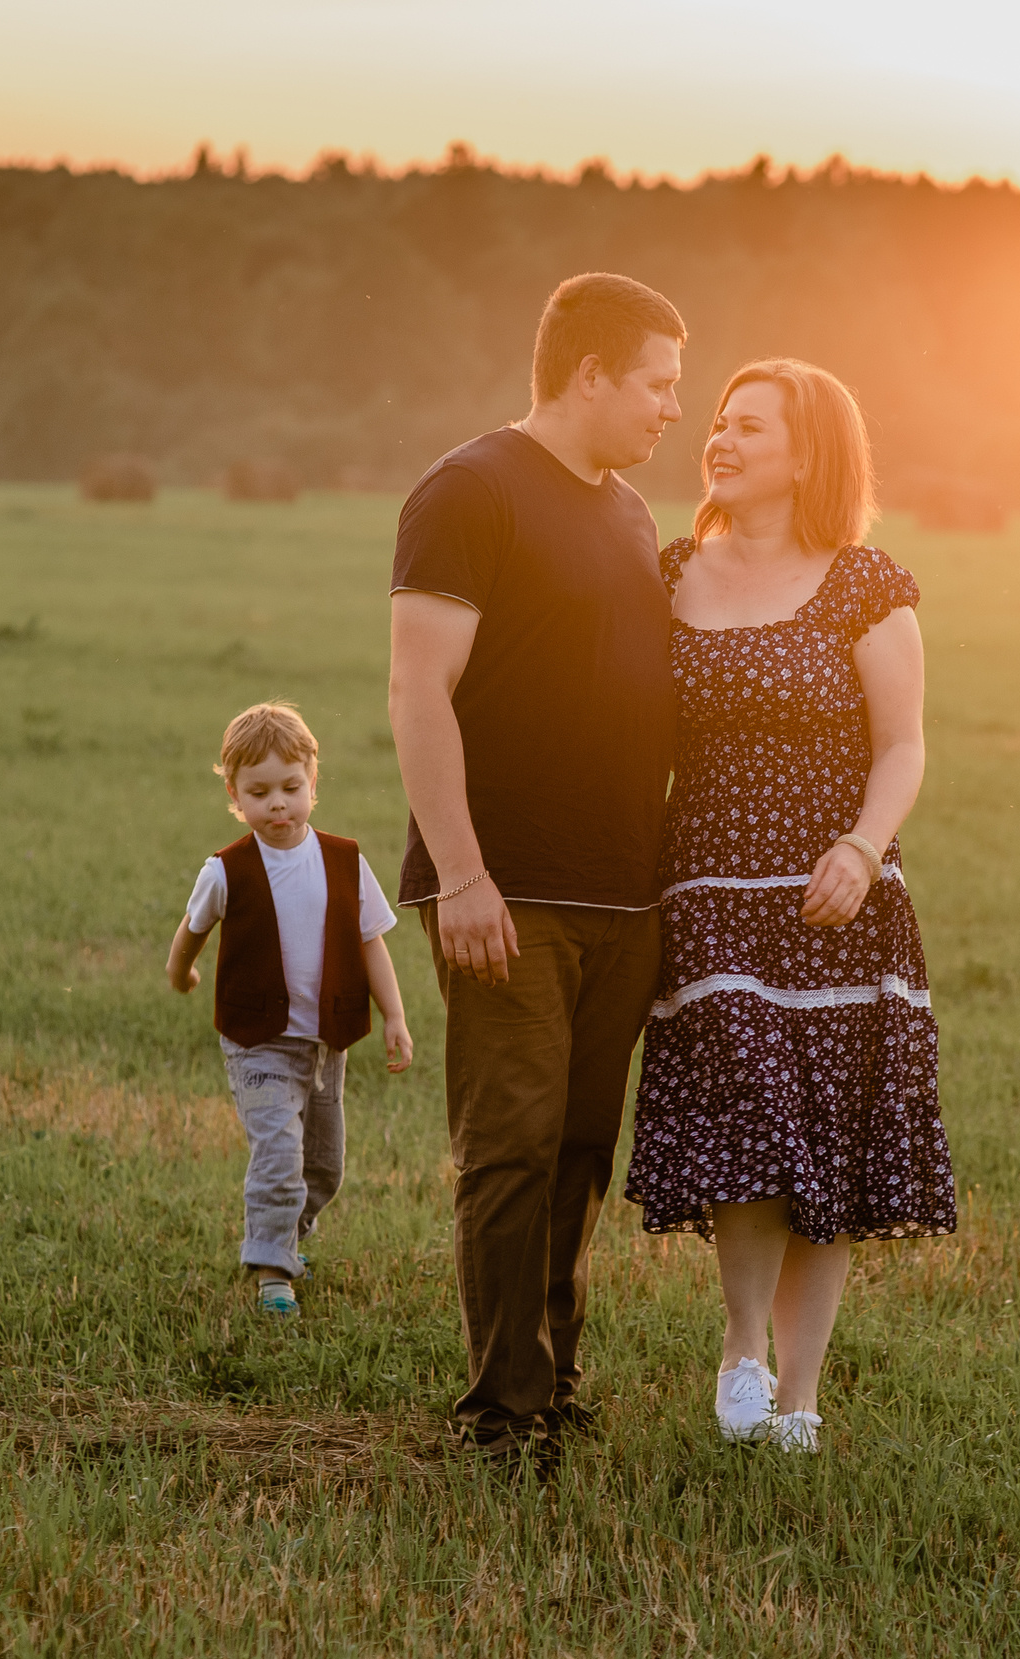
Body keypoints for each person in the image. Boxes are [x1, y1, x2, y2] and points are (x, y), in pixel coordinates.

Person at [625, 358, 955, 1455]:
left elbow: (903, 743)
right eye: (717, 422)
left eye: (749, 427)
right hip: (710, 890)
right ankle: (739, 1347)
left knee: (828, 1141)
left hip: (835, 897)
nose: (718, 439)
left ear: (807, 452)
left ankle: (801, 1396)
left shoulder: (865, 583)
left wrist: (862, 848)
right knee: (750, 1120)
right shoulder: (668, 571)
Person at [387, 272, 687, 1461]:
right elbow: (418, 692)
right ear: (591, 375)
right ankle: (502, 1413)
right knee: (510, 1143)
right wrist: (460, 875)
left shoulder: (623, 512)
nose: (673, 410)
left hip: (624, 890)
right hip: (508, 890)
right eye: (658, 385)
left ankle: (556, 1371)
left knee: (577, 1145)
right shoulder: (468, 490)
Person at [167, 701, 414, 1316]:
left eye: (290, 788)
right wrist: (181, 971)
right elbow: (191, 930)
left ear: (312, 782)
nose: (277, 804)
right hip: (258, 1039)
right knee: (279, 1153)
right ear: (234, 793)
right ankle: (272, 1269)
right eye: (259, 792)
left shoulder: (344, 862)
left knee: (324, 1165)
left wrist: (396, 1017)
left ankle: (287, 1236)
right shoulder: (226, 871)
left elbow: (370, 943)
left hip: (326, 1040)